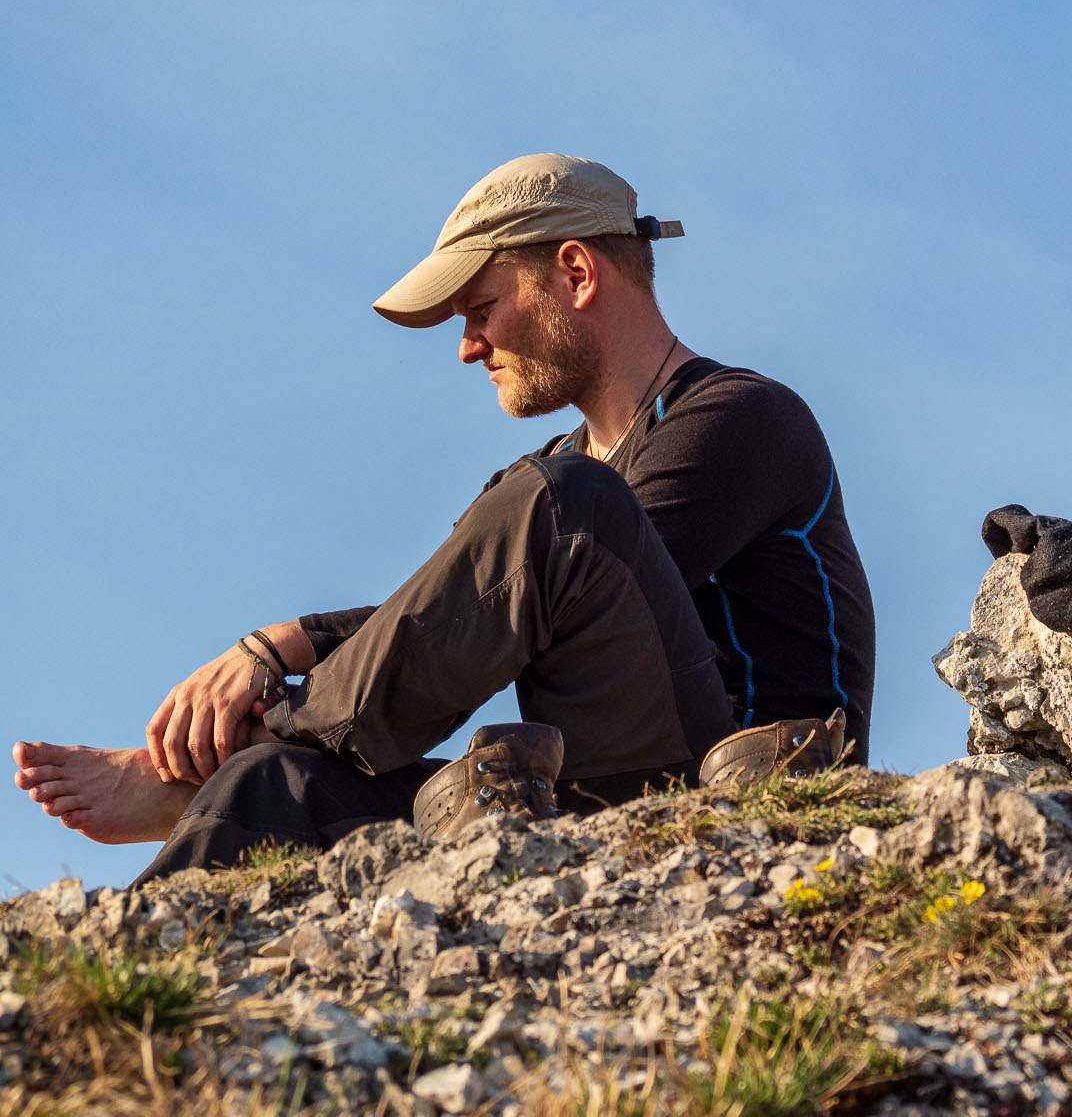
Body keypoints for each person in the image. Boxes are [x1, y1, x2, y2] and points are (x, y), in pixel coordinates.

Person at [12, 154, 875, 882]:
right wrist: (262, 706)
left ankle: (226, 759)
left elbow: (518, 585)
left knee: (562, 504)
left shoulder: (740, 420)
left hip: (748, 793)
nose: (466, 346)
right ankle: (141, 999)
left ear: (576, 274)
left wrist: (285, 651)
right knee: (274, 786)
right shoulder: (546, 484)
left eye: (480, 308)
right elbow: (448, 616)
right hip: (596, 789)